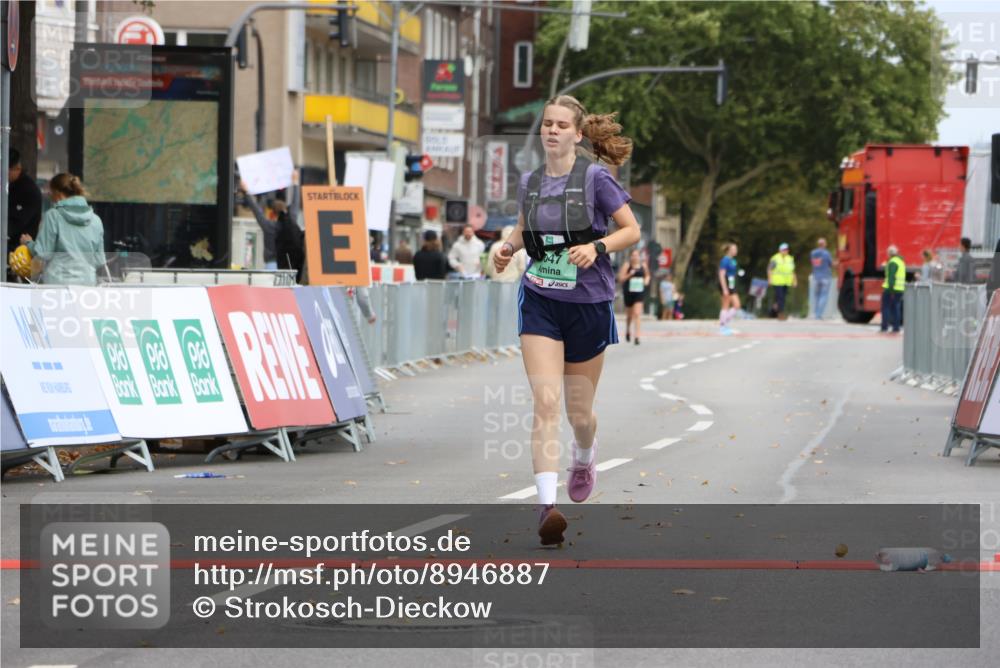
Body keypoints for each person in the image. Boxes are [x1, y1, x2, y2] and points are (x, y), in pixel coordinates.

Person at [492, 94, 640, 546]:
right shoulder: (531, 181)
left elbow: (631, 230)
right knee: (546, 404)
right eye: (547, 124)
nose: (552, 130)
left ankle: (584, 452)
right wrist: (509, 248)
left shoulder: (595, 179)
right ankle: (546, 508)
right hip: (540, 299)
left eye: (561, 125)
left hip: (589, 304)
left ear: (578, 134)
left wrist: (596, 248)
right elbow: (524, 227)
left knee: (579, 413)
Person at [20, 173, 105, 286]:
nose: (49, 196)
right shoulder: (96, 220)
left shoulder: (53, 216)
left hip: (56, 284)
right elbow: (99, 260)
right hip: (87, 284)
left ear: (58, 194)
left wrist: (28, 243)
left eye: (50, 192)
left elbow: (44, 253)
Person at [6, 148, 42, 265]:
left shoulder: (29, 191)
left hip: (19, 252)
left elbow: (15, 224)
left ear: (17, 169)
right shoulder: (6, 185)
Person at [238, 181, 278, 270]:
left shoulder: (269, 226)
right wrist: (295, 184)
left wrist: (246, 193)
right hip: (286, 264)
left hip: (271, 263)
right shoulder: (290, 227)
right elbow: (294, 208)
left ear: (273, 214)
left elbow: (257, 211)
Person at [618, 248, 649, 344]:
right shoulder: (627, 265)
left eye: (636, 255)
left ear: (639, 257)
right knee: (629, 316)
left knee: (637, 313)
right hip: (629, 292)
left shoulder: (643, 265)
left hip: (639, 292)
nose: (635, 257)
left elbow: (647, 275)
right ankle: (627, 330)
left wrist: (646, 281)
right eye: (633, 255)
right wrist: (629, 275)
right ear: (630, 256)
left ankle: (637, 336)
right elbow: (621, 279)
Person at [768, 242, 797, 319]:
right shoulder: (775, 258)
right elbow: (769, 269)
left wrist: (794, 280)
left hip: (786, 282)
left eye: (786, 249)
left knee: (782, 298)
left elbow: (793, 271)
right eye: (783, 249)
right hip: (777, 281)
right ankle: (780, 314)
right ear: (780, 250)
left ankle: (772, 312)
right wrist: (770, 279)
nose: (785, 251)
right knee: (780, 298)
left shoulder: (790, 258)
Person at [881, 244, 905, 333]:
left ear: (889, 253)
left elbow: (891, 277)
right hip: (900, 289)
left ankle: (884, 327)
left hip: (891, 289)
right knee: (896, 308)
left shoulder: (892, 262)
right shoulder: (900, 261)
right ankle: (896, 327)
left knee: (886, 308)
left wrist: (890, 289)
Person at [718, 243, 741, 334]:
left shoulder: (733, 260)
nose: (736, 251)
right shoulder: (725, 260)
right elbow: (721, 274)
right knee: (725, 305)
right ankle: (723, 327)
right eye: (734, 249)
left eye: (736, 249)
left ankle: (724, 322)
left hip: (732, 284)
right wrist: (724, 288)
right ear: (729, 250)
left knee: (737, 305)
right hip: (726, 284)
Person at [810, 237, 834, 319]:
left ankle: (816, 313)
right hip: (825, 277)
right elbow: (831, 264)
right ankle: (818, 315)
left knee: (816, 296)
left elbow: (813, 263)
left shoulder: (813, 253)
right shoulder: (826, 253)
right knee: (823, 296)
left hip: (816, 277)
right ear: (824, 244)